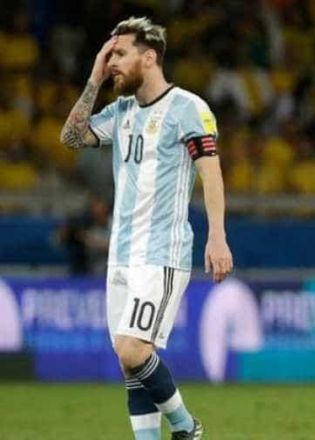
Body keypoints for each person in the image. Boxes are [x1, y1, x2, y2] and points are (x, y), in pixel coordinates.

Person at [60, 17, 233, 440]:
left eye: (119, 54)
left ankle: (186, 427)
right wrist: (94, 76)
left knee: (132, 348)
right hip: (122, 252)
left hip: (162, 251)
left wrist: (217, 235)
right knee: (129, 360)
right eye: (109, 55)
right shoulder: (120, 111)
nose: (112, 62)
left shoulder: (188, 109)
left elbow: (210, 174)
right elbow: (71, 137)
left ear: (149, 56)